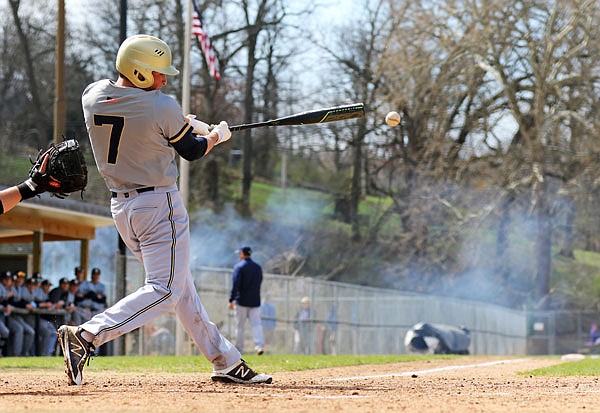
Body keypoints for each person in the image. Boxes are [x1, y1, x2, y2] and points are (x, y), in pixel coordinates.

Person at [58, 34, 271, 386]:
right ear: (139, 72)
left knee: (180, 286)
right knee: (167, 290)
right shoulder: (161, 107)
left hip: (123, 209)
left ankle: (226, 361)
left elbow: (140, 121)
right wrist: (216, 136)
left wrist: (177, 123)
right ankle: (87, 336)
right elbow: (191, 150)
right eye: (158, 73)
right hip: (159, 206)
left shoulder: (92, 95)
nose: (164, 80)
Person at [229, 246, 265, 355]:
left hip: (242, 301)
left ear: (242, 254)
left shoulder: (239, 267)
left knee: (240, 326)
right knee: (256, 324)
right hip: (255, 301)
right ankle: (259, 346)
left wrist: (231, 299)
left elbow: (236, 284)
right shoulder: (258, 267)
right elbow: (259, 282)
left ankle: (239, 349)